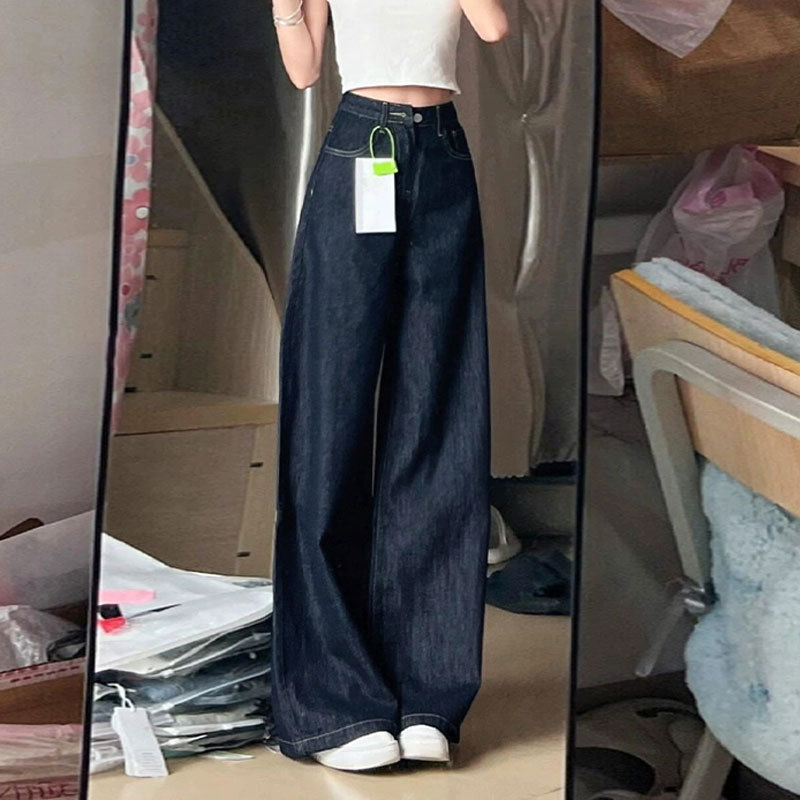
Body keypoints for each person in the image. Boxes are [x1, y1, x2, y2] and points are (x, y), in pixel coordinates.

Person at [270, 0, 509, 773]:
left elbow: (494, 26)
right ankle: (331, 703)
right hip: (359, 147)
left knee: (441, 405)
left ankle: (426, 693)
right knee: (330, 408)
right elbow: (305, 70)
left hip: (443, 151)